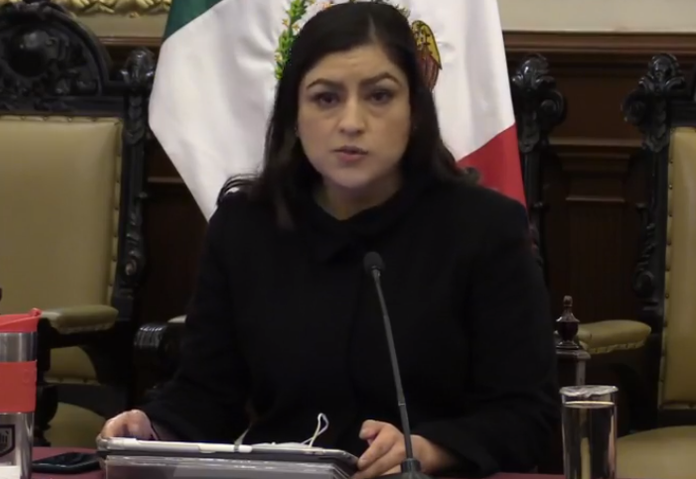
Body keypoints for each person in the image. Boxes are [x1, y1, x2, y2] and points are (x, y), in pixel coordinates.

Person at [101, 2, 559, 477]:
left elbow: (527, 415)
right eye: (326, 98)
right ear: (293, 115)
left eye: (379, 96)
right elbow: (206, 395)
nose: (351, 122)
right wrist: (150, 432)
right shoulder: (245, 228)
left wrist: (427, 449)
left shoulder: (484, 228)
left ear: (415, 111)